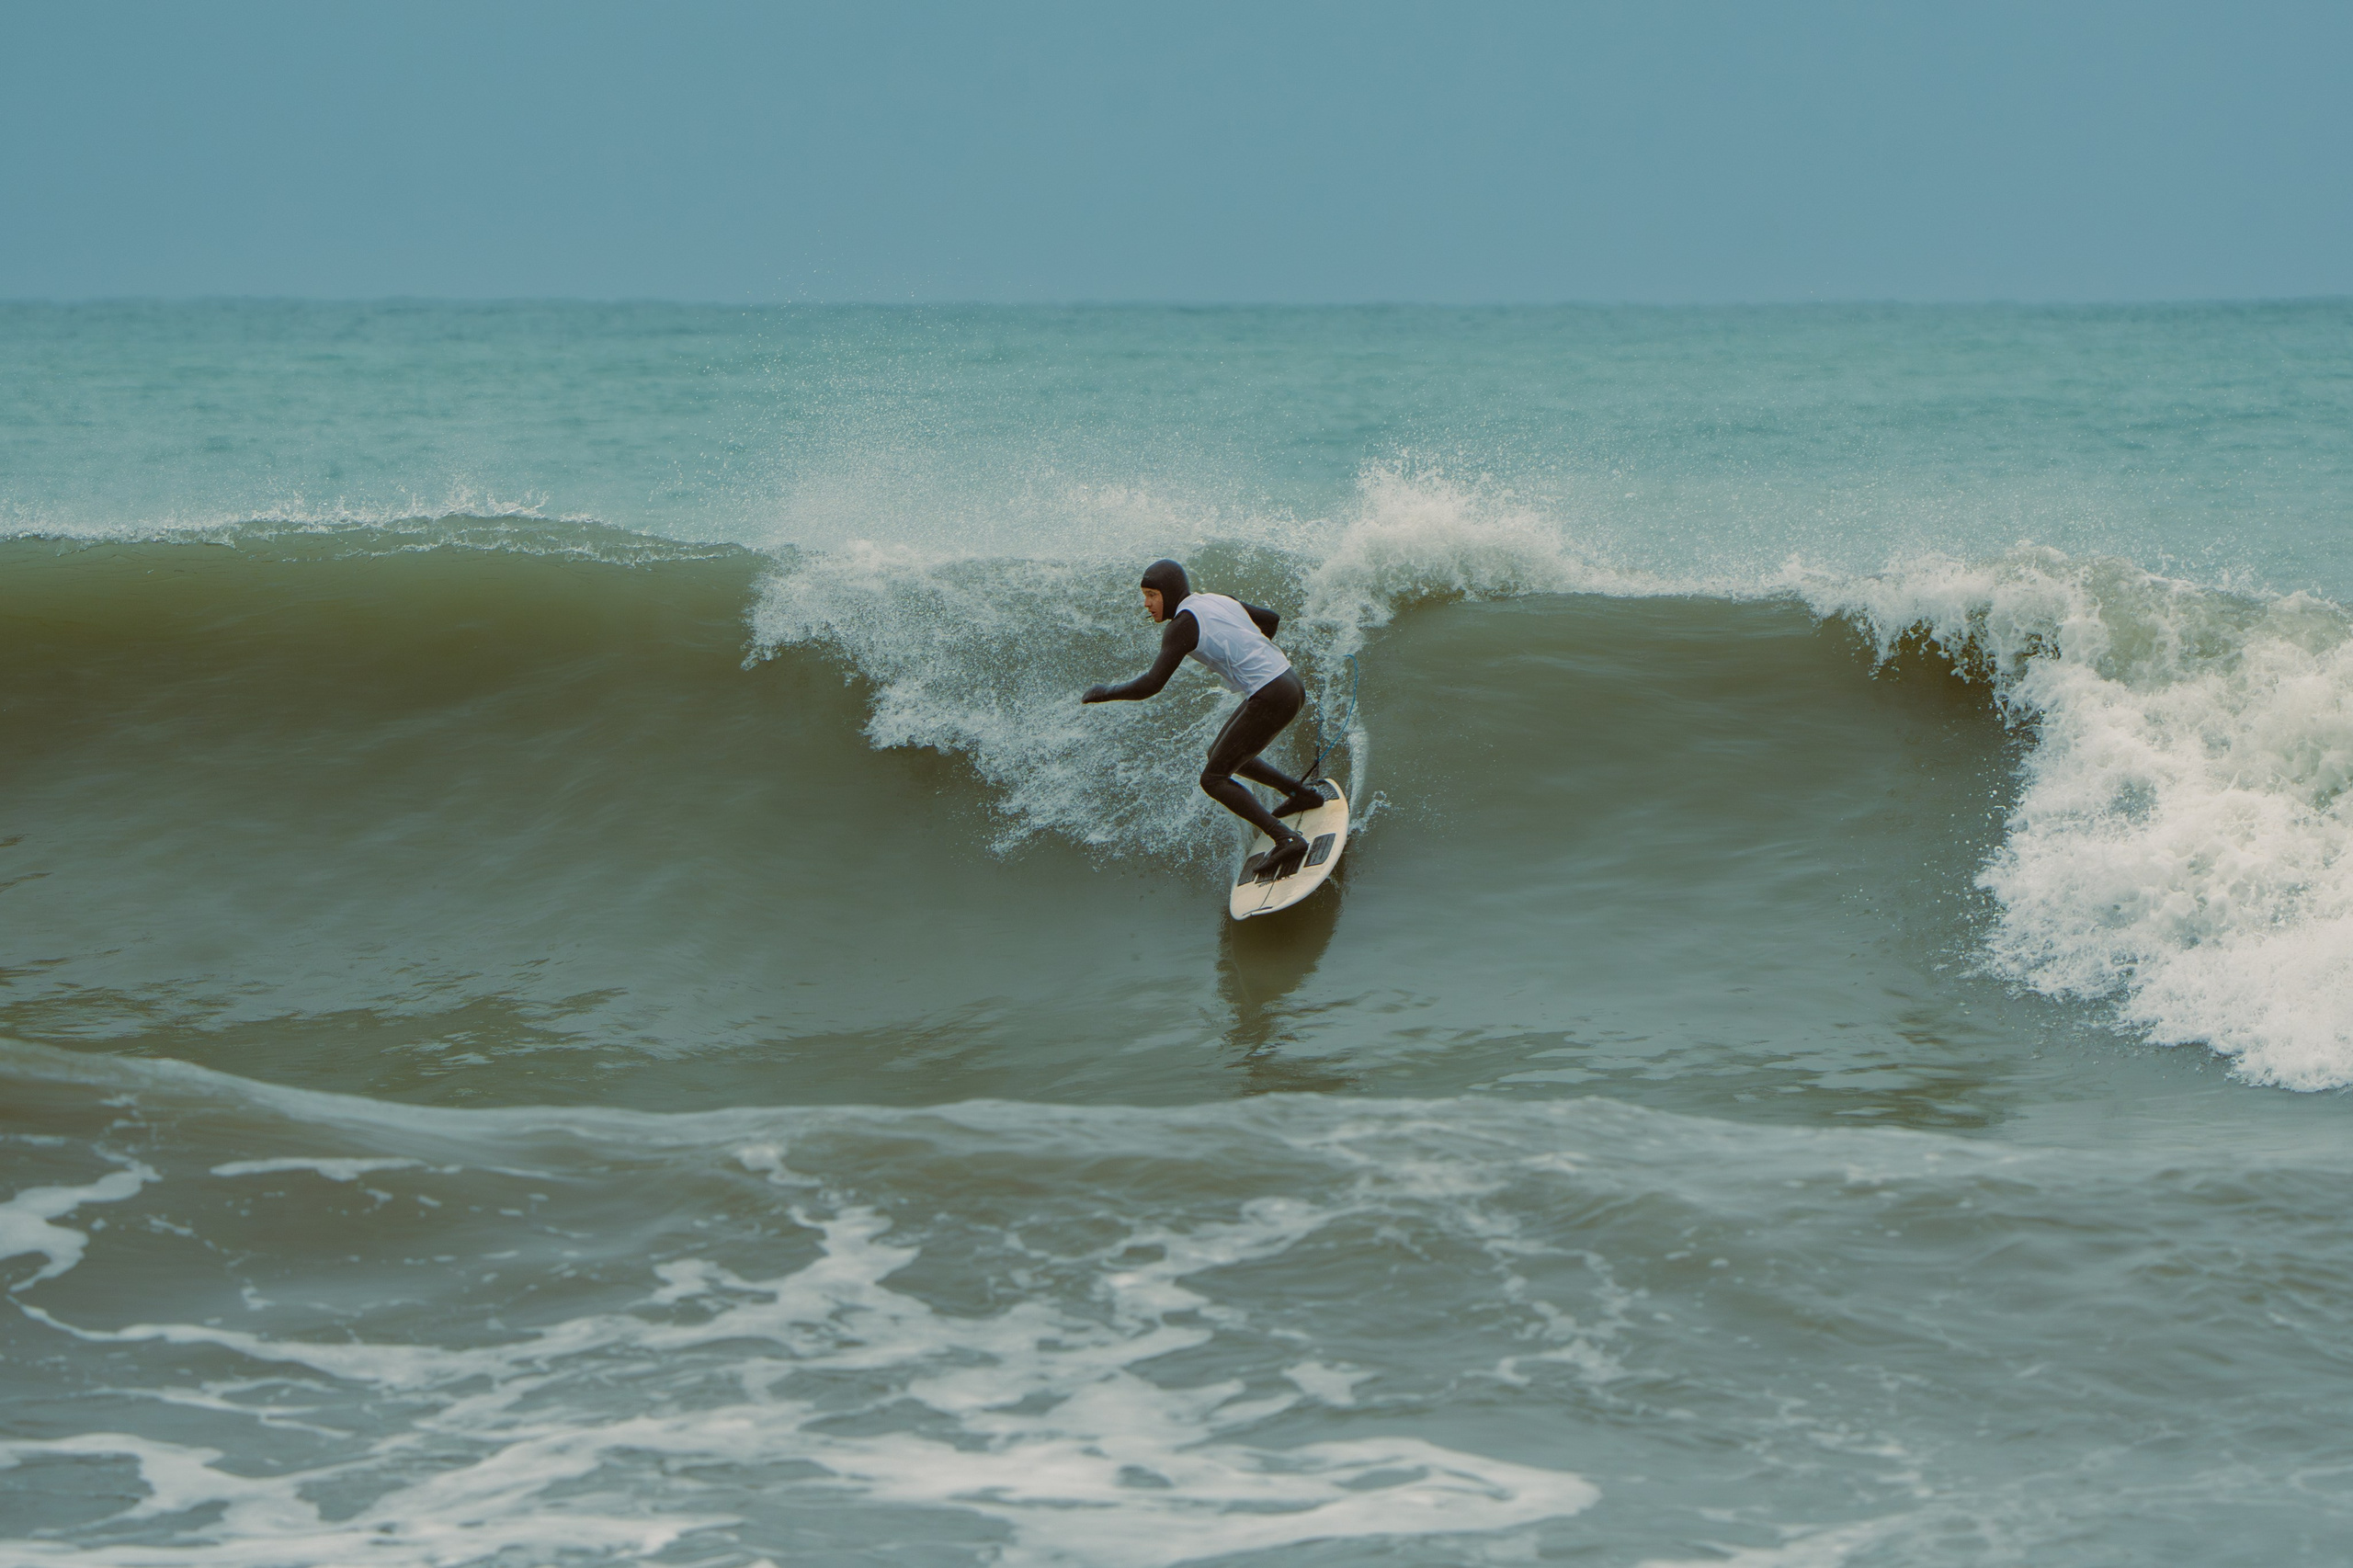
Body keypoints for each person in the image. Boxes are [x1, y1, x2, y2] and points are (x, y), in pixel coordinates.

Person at [1083, 558, 1328, 877]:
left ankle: (1286, 838)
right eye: (1144, 596)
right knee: (1221, 756)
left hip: (1271, 694)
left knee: (1213, 779)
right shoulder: (1216, 600)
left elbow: (1151, 684)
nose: (1146, 604)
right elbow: (1271, 620)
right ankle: (1301, 794)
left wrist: (1104, 692)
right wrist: (1252, 655)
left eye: (1152, 595)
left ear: (1169, 592)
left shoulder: (1182, 625)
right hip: (1288, 681)